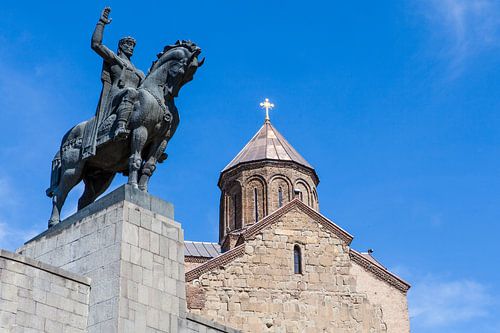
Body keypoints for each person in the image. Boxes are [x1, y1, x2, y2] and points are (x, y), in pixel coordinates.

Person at [83, 7, 145, 158]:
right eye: (127, 45)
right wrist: (101, 23)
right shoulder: (114, 60)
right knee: (131, 91)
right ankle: (120, 126)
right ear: (121, 46)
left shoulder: (139, 72)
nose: (131, 48)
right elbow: (96, 44)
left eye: (132, 46)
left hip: (133, 98)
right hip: (116, 97)